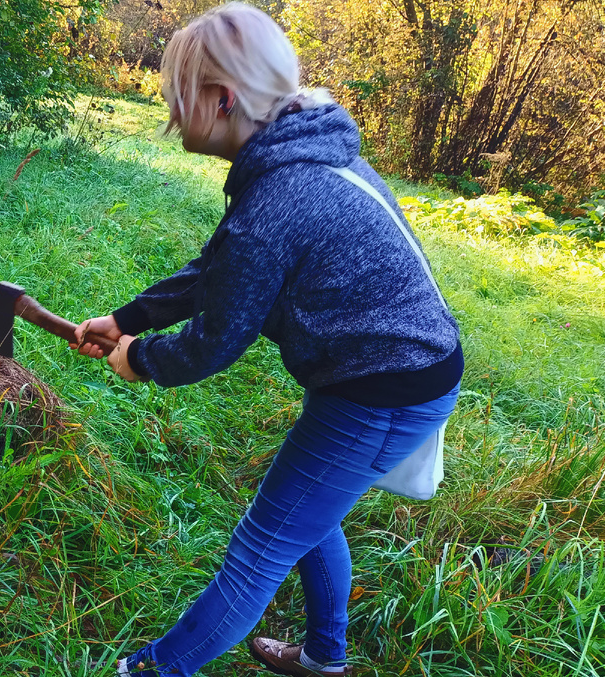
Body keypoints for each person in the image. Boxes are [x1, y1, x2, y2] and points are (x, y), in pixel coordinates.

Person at [69, 3, 463, 676]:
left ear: (223, 100)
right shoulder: (299, 155)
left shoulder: (278, 197)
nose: (167, 109)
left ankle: (147, 671)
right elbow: (222, 266)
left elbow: (212, 343)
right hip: (391, 370)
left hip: (384, 391)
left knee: (260, 548)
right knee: (310, 515)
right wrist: (131, 317)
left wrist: (142, 359)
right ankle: (322, 658)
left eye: (176, 95)